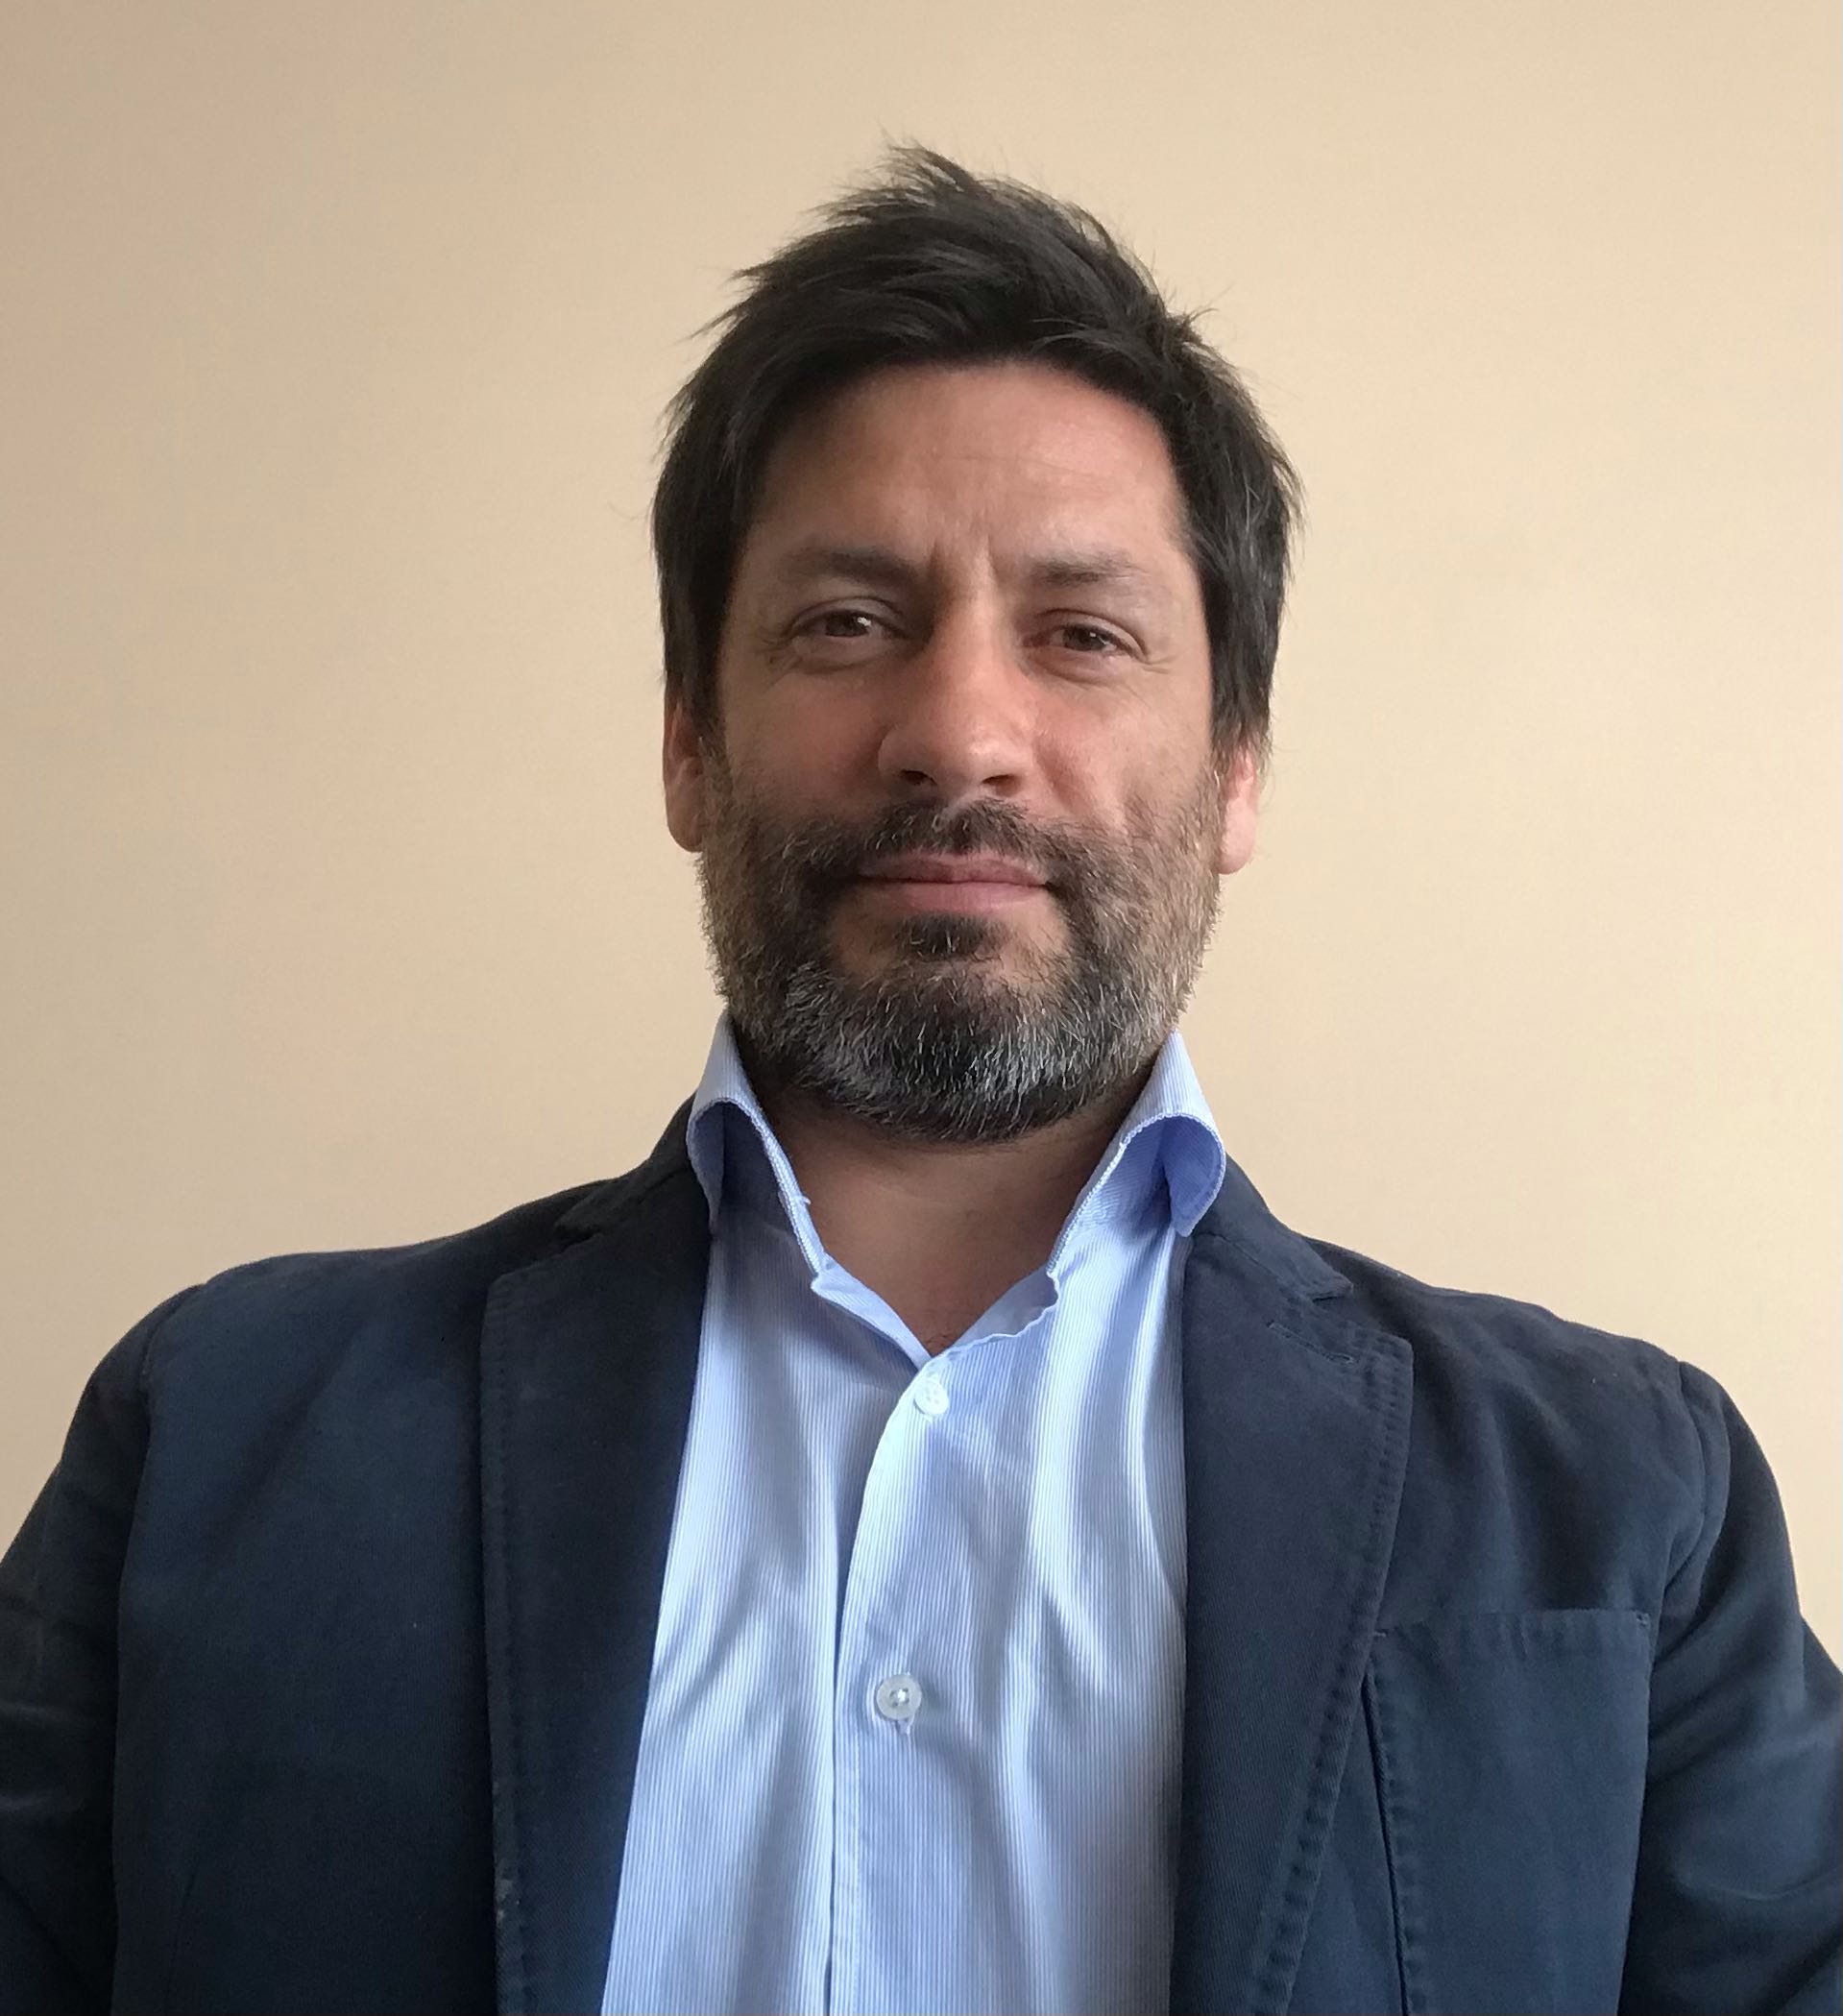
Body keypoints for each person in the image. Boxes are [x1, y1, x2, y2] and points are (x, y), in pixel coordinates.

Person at [1, 147, 1835, 2016]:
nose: (959, 733)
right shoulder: (214, 1442)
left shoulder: (1625, 1505)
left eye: (1083, 635)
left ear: (1237, 770)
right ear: (689, 742)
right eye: (848, 623)